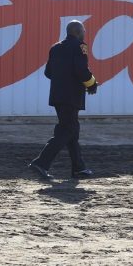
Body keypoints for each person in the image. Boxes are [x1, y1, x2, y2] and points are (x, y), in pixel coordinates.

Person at [28, 20, 99, 181]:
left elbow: (48, 73)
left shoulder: (55, 47)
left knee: (72, 131)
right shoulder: (80, 47)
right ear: (78, 32)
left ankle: (78, 168)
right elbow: (81, 70)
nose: (85, 33)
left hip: (57, 96)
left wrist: (62, 78)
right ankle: (41, 162)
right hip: (72, 96)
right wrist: (92, 83)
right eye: (83, 30)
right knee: (67, 130)